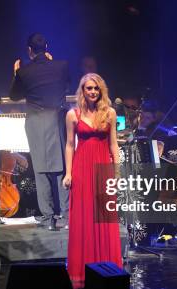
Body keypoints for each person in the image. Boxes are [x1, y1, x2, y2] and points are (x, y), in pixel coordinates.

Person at [63, 73, 122, 285]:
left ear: (101, 90)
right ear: (83, 90)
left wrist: (117, 172)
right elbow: (70, 145)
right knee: (83, 218)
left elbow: (114, 144)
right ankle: (81, 272)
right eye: (89, 88)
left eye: (96, 88)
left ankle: (107, 268)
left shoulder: (110, 113)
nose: (93, 92)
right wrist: (68, 173)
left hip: (103, 169)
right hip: (81, 169)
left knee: (104, 219)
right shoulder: (73, 114)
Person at [9, 33, 69, 230]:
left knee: (41, 171)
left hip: (35, 122)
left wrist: (16, 73)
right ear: (47, 48)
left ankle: (47, 219)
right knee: (61, 169)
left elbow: (15, 96)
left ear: (29, 51)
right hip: (57, 120)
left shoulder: (24, 72)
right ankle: (67, 217)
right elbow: (67, 84)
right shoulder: (61, 66)